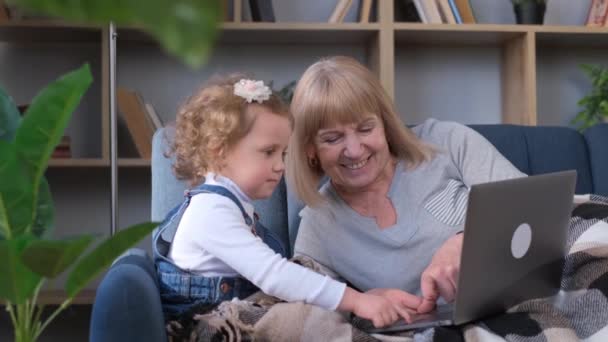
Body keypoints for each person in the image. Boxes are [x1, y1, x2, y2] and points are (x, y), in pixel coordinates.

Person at [152, 74, 418, 328]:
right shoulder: (211, 212)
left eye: (283, 154)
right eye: (268, 152)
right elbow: (274, 275)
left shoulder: (229, 204)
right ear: (218, 151)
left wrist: (365, 299)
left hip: (234, 316)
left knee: (308, 305)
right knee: (298, 320)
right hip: (203, 330)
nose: (280, 166)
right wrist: (358, 301)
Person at [286, 56, 527, 315]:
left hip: (516, 301)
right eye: (333, 139)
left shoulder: (448, 141)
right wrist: (365, 299)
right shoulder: (319, 224)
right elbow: (303, 302)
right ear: (310, 149)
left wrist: (466, 242)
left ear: (386, 125)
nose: (354, 151)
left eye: (366, 129)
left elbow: (533, 205)